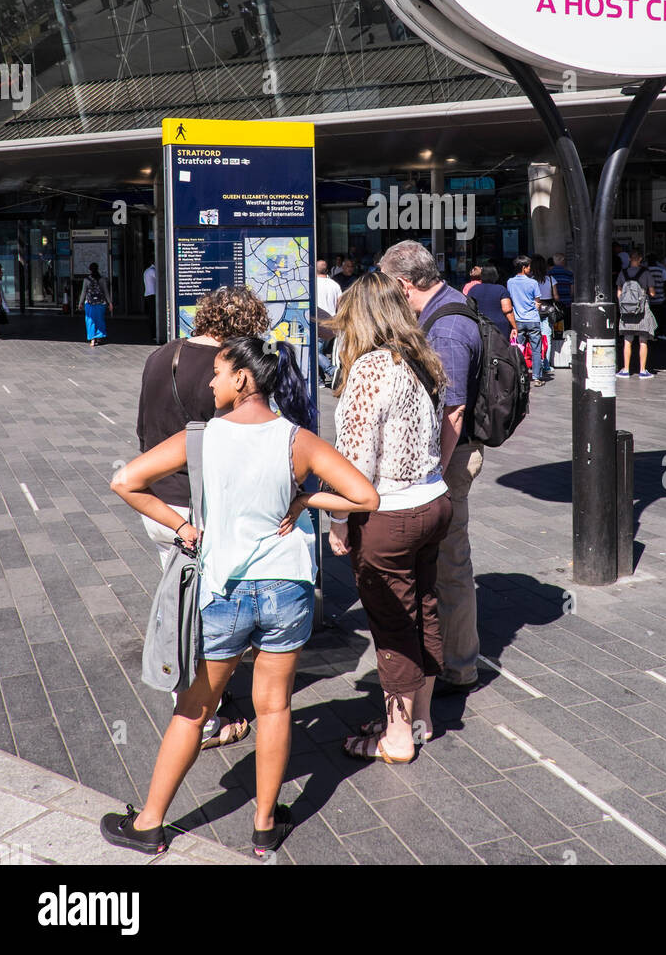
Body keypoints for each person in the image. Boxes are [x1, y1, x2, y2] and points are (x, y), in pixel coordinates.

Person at [101, 337, 379, 857]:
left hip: (223, 590)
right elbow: (367, 496)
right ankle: (265, 825)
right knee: (273, 708)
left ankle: (149, 824)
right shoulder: (298, 439)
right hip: (287, 588)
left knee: (193, 710)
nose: (210, 382)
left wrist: (182, 526)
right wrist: (305, 498)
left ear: (243, 381)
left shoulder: (200, 439)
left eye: (219, 373)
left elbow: (126, 481)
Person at [136, 285, 271, 747]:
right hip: (196, 507)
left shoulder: (161, 355)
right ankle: (199, 713)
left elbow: (143, 429)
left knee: (179, 599)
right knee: (200, 611)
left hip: (156, 500)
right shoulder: (227, 373)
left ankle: (192, 692)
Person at [326, 272, 452, 762]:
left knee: (391, 622)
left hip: (389, 515)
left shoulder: (373, 368)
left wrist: (339, 520)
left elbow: (354, 461)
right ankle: (420, 719)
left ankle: (398, 739)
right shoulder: (424, 359)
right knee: (423, 607)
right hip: (432, 501)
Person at [379, 241, 483, 695]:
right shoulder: (449, 306)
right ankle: (444, 657)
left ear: (404, 285)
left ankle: (460, 666)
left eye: (389, 287)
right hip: (446, 455)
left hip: (449, 457)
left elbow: (453, 412)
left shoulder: (447, 327)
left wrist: (432, 475)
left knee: (450, 564)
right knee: (440, 561)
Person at [616, 250, 656, 378]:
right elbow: (652, 293)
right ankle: (642, 371)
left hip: (626, 312)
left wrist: (624, 305)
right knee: (643, 340)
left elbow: (619, 292)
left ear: (629, 259)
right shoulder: (646, 273)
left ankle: (626, 369)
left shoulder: (623, 273)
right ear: (640, 259)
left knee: (628, 341)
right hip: (642, 310)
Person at [507, 255, 545, 388]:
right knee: (536, 349)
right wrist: (536, 305)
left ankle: (519, 375)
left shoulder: (510, 282)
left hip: (517, 320)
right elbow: (538, 301)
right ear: (524, 268)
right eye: (529, 267)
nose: (530, 269)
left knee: (518, 349)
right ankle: (536, 377)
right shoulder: (533, 283)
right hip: (533, 319)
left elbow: (510, 299)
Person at [530, 254, 559, 378]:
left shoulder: (530, 280)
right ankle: (546, 364)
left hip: (534, 310)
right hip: (548, 310)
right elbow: (556, 297)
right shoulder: (551, 279)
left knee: (534, 337)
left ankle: (534, 362)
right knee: (547, 337)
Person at [315, 258, 342, 386]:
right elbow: (340, 304)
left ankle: (332, 371)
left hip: (318, 323)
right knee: (321, 352)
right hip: (332, 324)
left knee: (316, 352)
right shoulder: (334, 284)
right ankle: (319, 380)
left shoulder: (312, 284)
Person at [471, 265, 516, 341]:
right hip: (499, 327)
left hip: (479, 325)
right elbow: (507, 309)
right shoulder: (501, 289)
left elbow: (469, 306)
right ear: (495, 276)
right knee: (500, 350)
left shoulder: (473, 289)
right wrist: (514, 327)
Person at [79, 262, 112, 346]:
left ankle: (92, 339)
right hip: (101, 303)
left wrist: (80, 303)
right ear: (97, 269)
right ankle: (99, 337)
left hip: (89, 303)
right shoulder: (102, 279)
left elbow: (83, 292)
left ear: (90, 269)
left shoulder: (86, 280)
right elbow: (106, 292)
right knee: (100, 319)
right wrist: (110, 303)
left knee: (90, 320)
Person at [645, 252, 666, 340]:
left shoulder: (645, 271)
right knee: (663, 316)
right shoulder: (662, 270)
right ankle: (662, 333)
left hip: (648, 298)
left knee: (651, 316)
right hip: (661, 297)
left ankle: (652, 333)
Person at [143, 257, 157, 341]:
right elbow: (160, 279)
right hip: (152, 295)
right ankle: (154, 334)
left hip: (148, 294)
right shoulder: (153, 271)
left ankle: (153, 334)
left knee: (152, 315)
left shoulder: (147, 270)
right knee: (154, 315)